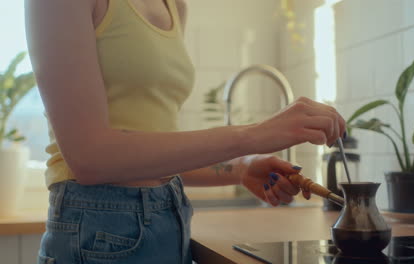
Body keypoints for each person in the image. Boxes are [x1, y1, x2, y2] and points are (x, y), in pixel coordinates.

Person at [25, 0, 346, 263]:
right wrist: (252, 135)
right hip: (97, 229)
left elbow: (152, 151)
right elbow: (90, 157)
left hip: (171, 214)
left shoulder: (173, 5)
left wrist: (241, 168)